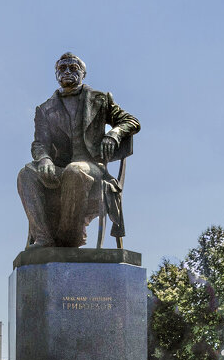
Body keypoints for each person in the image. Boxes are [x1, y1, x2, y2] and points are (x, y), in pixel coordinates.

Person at [17, 52, 140, 248]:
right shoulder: (44, 109)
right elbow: (39, 144)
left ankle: (69, 238)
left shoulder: (100, 99)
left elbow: (130, 121)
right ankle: (44, 237)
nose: (67, 71)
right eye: (62, 68)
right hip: (59, 171)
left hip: (92, 169)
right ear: (56, 74)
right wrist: (45, 160)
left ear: (83, 73)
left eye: (73, 68)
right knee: (26, 174)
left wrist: (113, 134)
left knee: (75, 170)